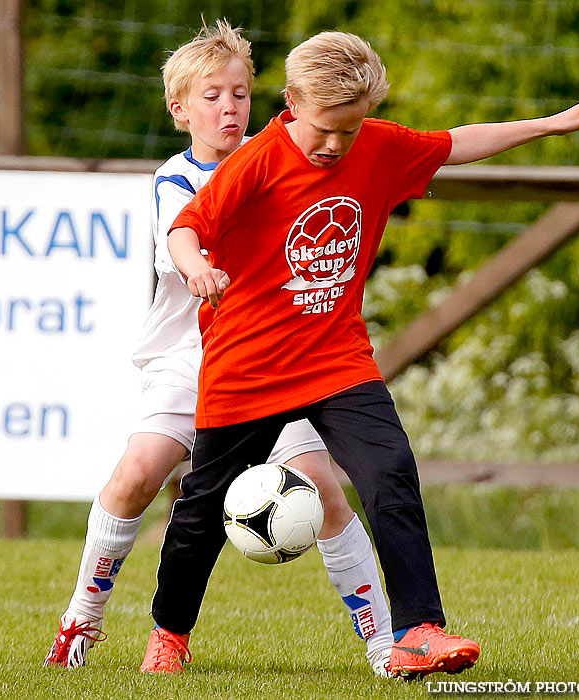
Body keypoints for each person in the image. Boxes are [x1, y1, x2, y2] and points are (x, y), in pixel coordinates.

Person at [142, 30, 579, 680]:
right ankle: (169, 633)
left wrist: (553, 123)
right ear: (293, 101)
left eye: (349, 131)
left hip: (335, 361)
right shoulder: (257, 162)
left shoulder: (379, 145)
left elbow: (457, 141)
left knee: (390, 474)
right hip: (246, 367)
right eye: (324, 130)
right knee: (198, 514)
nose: (335, 145)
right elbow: (189, 225)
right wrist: (195, 270)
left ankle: (418, 630)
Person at [44, 21, 393, 678]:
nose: (229, 107)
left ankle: (383, 642)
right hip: (189, 357)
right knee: (137, 474)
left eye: (239, 94)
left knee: (322, 488)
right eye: (212, 95)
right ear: (179, 109)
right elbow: (189, 240)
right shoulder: (175, 177)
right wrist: (202, 265)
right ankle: (83, 612)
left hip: (270, 359)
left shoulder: (285, 152)